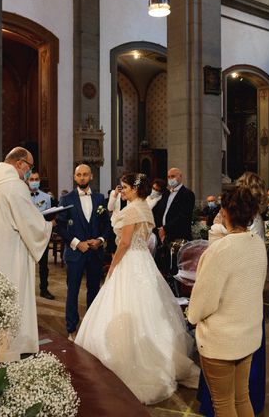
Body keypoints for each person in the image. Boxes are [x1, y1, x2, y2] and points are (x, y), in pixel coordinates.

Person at [74, 173, 199, 404]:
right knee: (148, 307)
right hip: (144, 261)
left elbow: (125, 242)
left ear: (134, 188)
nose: (122, 190)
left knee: (124, 303)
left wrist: (112, 265)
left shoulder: (132, 210)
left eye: (124, 187)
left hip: (130, 260)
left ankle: (131, 360)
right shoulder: (144, 207)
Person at [188, 185, 267, 417]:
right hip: (248, 335)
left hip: (221, 340)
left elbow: (204, 300)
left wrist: (192, 315)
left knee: (223, 404)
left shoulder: (220, 249)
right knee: (242, 398)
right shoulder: (257, 243)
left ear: (225, 212)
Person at [0, 147, 53, 362]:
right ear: (20, 163)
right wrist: (48, 226)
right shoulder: (14, 185)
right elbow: (30, 223)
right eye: (30, 167)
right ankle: (9, 350)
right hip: (9, 255)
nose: (30, 173)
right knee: (11, 301)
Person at [56, 164, 111, 340]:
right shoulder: (66, 199)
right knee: (72, 292)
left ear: (91, 177)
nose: (82, 178)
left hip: (95, 253)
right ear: (74, 177)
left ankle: (91, 326)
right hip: (75, 253)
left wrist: (100, 240)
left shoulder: (99, 199)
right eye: (79, 175)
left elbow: (106, 226)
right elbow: (61, 227)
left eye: (85, 174)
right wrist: (76, 243)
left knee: (94, 290)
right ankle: (71, 329)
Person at [28, 171, 55, 300]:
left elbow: (50, 215)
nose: (34, 181)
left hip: (41, 234)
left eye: (36, 179)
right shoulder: (22, 196)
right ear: (27, 180)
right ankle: (26, 290)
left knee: (44, 265)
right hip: (27, 234)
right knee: (26, 264)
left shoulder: (47, 197)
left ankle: (44, 289)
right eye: (32, 179)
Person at [155, 167, 195, 243]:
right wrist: (159, 228)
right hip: (162, 234)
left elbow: (183, 216)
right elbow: (160, 211)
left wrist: (165, 228)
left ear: (180, 176)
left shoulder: (187, 194)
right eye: (168, 177)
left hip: (178, 235)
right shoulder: (166, 193)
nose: (170, 179)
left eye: (173, 176)